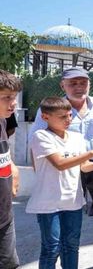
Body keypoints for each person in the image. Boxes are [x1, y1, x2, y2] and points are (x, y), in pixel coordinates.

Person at [29, 67, 93, 268]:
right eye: (73, 83)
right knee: (54, 242)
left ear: (89, 83)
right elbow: (38, 147)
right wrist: (43, 177)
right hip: (63, 177)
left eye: (83, 82)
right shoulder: (48, 113)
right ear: (62, 85)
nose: (79, 87)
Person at [0, 70, 21, 268]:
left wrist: (13, 167)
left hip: (5, 215)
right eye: (6, 97)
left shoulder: (3, 120)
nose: (13, 103)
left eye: (14, 97)